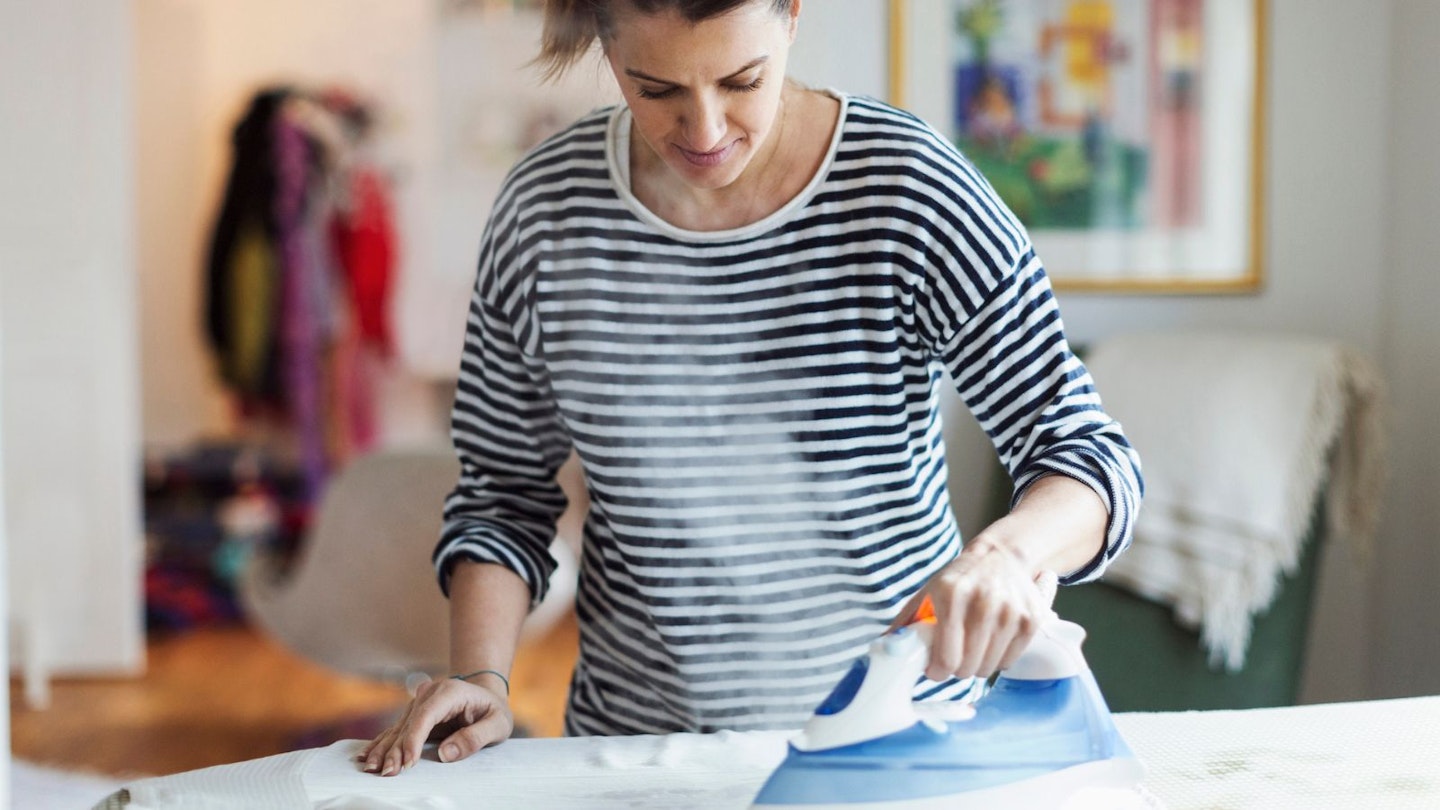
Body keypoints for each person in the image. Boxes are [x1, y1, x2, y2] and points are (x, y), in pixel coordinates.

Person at [361, 0, 1141, 777]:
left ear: (792, 16)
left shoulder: (908, 190)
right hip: (637, 754)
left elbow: (1088, 454)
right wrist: (482, 679)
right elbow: (503, 494)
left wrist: (1007, 553)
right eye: (656, 89)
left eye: (742, 81)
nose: (704, 133)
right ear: (604, 44)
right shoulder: (546, 213)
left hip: (899, 741)